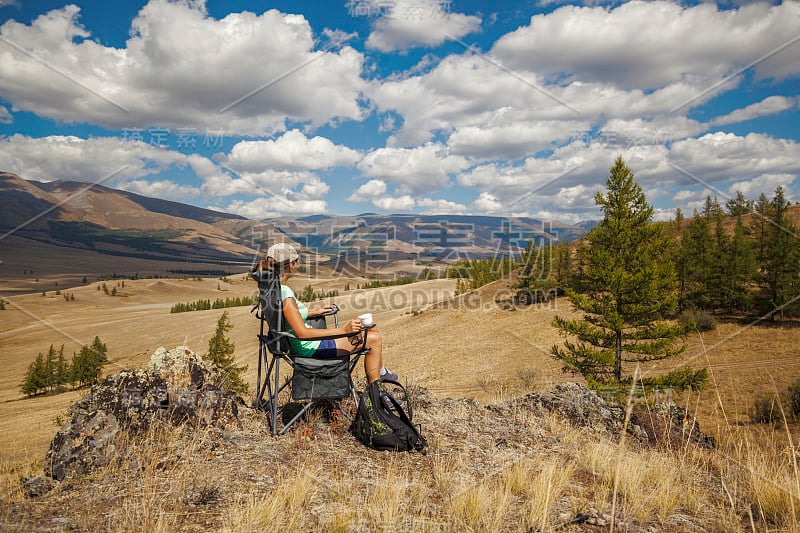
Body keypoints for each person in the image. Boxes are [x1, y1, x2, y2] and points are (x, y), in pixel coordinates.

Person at [259, 243, 396, 384]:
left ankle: (381, 373)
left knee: (370, 327)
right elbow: (302, 333)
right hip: (311, 349)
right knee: (374, 339)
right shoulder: (285, 292)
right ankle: (375, 394)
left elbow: (287, 317)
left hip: (308, 345)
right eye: (297, 261)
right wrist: (343, 330)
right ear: (291, 264)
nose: (297, 264)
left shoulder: (272, 289)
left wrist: (313, 313)